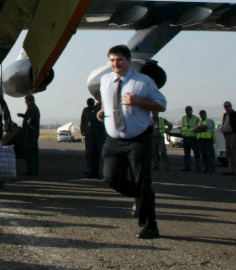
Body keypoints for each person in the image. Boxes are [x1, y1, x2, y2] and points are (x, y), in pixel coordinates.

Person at [97, 45, 166, 239]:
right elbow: (107, 98)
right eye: (112, 60)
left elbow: (161, 104)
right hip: (113, 140)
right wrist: (103, 110)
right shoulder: (105, 80)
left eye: (119, 60)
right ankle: (141, 197)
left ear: (128, 61)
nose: (115, 64)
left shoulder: (143, 82)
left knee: (142, 182)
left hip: (138, 140)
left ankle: (149, 226)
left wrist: (139, 102)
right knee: (110, 178)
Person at [84, 92, 107, 178]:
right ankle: (94, 172)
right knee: (94, 154)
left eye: (97, 94)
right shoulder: (97, 106)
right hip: (94, 134)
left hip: (100, 133)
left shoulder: (103, 105)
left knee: (101, 154)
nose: (95, 96)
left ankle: (104, 173)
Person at [17, 94, 40, 175]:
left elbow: (29, 120)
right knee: (34, 152)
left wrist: (26, 129)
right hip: (34, 134)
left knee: (29, 152)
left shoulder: (31, 108)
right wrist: (23, 116)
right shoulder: (34, 108)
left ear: (27, 100)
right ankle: (34, 169)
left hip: (29, 134)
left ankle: (31, 170)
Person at [180, 106, 201, 172]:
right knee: (186, 154)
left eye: (189, 110)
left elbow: (198, 127)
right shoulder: (183, 118)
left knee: (196, 154)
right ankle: (187, 167)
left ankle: (198, 168)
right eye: (186, 110)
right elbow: (183, 127)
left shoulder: (196, 118)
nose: (187, 111)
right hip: (186, 138)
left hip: (193, 138)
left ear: (192, 111)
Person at [223, 102, 236, 175]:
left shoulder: (234, 114)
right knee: (229, 153)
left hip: (232, 134)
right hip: (227, 135)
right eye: (225, 106)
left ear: (231, 106)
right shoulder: (225, 115)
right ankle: (230, 169)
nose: (226, 107)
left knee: (234, 152)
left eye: (228, 106)